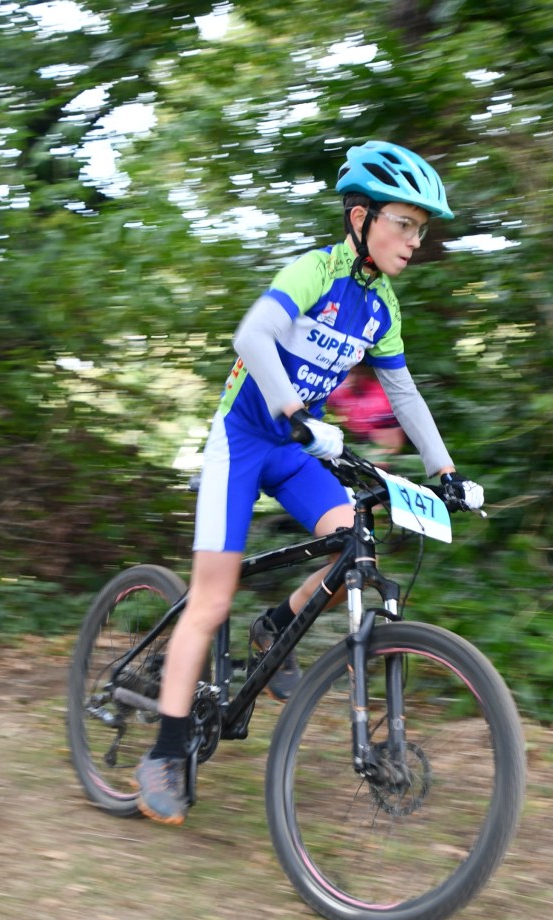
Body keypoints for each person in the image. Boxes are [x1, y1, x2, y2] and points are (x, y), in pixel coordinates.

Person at [136, 139, 485, 825]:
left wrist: (445, 471)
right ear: (360, 218)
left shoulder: (381, 306)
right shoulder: (314, 271)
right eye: (404, 223)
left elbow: (404, 394)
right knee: (211, 598)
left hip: (295, 449)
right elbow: (251, 336)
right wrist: (295, 411)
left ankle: (276, 626)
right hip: (243, 440)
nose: (414, 241)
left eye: (421, 229)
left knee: (355, 543)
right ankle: (164, 753)